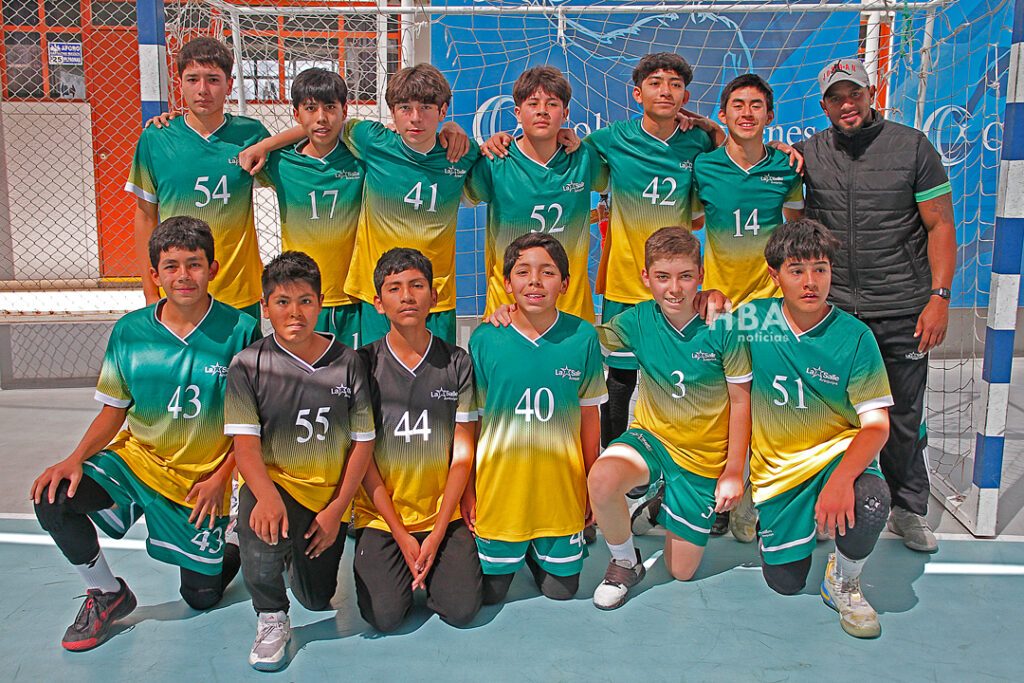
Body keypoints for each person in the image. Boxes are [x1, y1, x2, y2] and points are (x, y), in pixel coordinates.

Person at [31, 216, 260, 651]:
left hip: (200, 481)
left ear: (213, 269)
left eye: (194, 264)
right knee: (53, 495)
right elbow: (114, 411)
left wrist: (221, 479)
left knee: (201, 598)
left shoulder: (240, 330)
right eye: (171, 266)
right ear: (154, 274)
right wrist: (74, 458)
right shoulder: (130, 331)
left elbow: (249, 423)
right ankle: (107, 593)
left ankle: (232, 538)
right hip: (136, 462)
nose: (183, 276)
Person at [795, 58, 957, 553]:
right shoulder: (807, 154)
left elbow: (941, 226)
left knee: (903, 417)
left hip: (902, 309)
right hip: (835, 312)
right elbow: (742, 153)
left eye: (855, 94)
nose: (847, 103)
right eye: (836, 97)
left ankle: (908, 509)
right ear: (823, 105)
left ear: (871, 95)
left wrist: (939, 297)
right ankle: (828, 504)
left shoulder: (912, 147)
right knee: (829, 416)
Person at [241, 64, 476, 346]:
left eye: (426, 107)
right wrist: (265, 145)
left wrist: (455, 129)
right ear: (392, 112)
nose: (416, 118)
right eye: (404, 108)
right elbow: (320, 126)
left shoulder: (463, 154)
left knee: (436, 381)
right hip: (373, 295)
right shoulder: (371, 142)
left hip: (435, 296)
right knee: (367, 379)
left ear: (443, 110)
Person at [224, 251, 375, 670]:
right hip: (277, 487)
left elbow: (362, 444)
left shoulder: (348, 362)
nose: (295, 313)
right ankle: (270, 615)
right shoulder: (248, 364)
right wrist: (266, 498)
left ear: (321, 303)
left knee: (317, 598)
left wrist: (336, 511)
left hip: (325, 499)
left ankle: (293, 556)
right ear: (266, 306)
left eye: (306, 301)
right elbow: (245, 445)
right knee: (259, 528)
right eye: (283, 302)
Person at [587, 227, 751, 610]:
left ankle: (659, 504)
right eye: (662, 277)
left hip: (703, 458)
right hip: (653, 440)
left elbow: (741, 403)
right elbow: (580, 337)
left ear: (701, 275)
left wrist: (732, 472)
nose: (674, 289)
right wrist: (517, 315)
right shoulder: (637, 320)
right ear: (646, 278)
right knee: (602, 477)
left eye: (685, 277)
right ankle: (626, 561)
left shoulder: (724, 326)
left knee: (681, 571)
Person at [745, 219, 893, 638]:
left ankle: (843, 579)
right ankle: (784, 520)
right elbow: (697, 331)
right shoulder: (755, 319)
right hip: (779, 472)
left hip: (834, 458)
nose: (810, 282)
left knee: (870, 501)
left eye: (821, 269)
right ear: (775, 276)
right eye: (796, 270)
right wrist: (707, 298)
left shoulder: (855, 336)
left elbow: (877, 427)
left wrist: (842, 480)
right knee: (785, 585)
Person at [581, 52, 722, 451]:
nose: (666, 91)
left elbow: (728, 154)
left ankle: (673, 468)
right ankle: (616, 463)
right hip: (626, 284)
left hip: (678, 290)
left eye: (675, 84)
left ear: (686, 95)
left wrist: (712, 127)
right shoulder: (611, 138)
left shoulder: (698, 141)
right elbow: (568, 151)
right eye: (656, 83)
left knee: (677, 380)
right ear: (637, 93)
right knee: (620, 381)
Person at [691, 73, 804, 542]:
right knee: (718, 404)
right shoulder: (704, 168)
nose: (747, 112)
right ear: (723, 115)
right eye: (737, 104)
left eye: (757, 105)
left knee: (763, 403)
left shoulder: (785, 167)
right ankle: (719, 493)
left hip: (768, 305)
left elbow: (796, 235)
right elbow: (689, 226)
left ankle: (753, 500)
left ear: (770, 116)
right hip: (718, 304)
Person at [466, 233, 607, 603]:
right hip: (501, 494)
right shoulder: (485, 339)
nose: (534, 281)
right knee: (491, 594)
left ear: (565, 283)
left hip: (559, 492)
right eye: (523, 272)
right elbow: (473, 424)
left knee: (562, 592)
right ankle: (519, 543)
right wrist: (470, 488)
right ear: (507, 283)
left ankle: (537, 547)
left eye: (547, 272)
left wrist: (592, 485)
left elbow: (590, 420)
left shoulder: (583, 337)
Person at [352, 248, 483, 633]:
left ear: (434, 296)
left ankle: (435, 569)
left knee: (462, 612)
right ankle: (396, 569)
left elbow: (462, 452)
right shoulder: (362, 364)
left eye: (416, 286)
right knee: (384, 617)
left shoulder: (457, 362)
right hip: (383, 517)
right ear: (378, 303)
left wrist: (439, 529)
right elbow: (364, 461)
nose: (406, 296)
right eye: (394, 288)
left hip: (444, 511)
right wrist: (401, 535)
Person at [126, 37, 269, 318]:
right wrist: (150, 293)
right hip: (179, 293)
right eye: (193, 79)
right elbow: (145, 217)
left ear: (229, 85)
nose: (203, 89)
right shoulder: (156, 138)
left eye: (213, 79)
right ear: (179, 84)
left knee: (239, 364)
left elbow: (310, 137)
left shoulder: (251, 135)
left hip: (238, 292)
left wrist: (267, 144)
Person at [464, 65, 608, 322]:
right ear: (518, 113)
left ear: (564, 114)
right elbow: (457, 194)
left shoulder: (584, 158)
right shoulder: (496, 160)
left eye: (552, 104)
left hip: (571, 311)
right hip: (506, 312)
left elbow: (622, 184)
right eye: (533, 103)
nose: (542, 110)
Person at [256, 68, 365, 346]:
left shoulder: (362, 159)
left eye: (330, 107)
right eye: (310, 108)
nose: (321, 118)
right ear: (296, 114)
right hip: (300, 299)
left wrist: (450, 127)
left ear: (344, 110)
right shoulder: (279, 163)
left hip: (350, 297)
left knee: (348, 379)